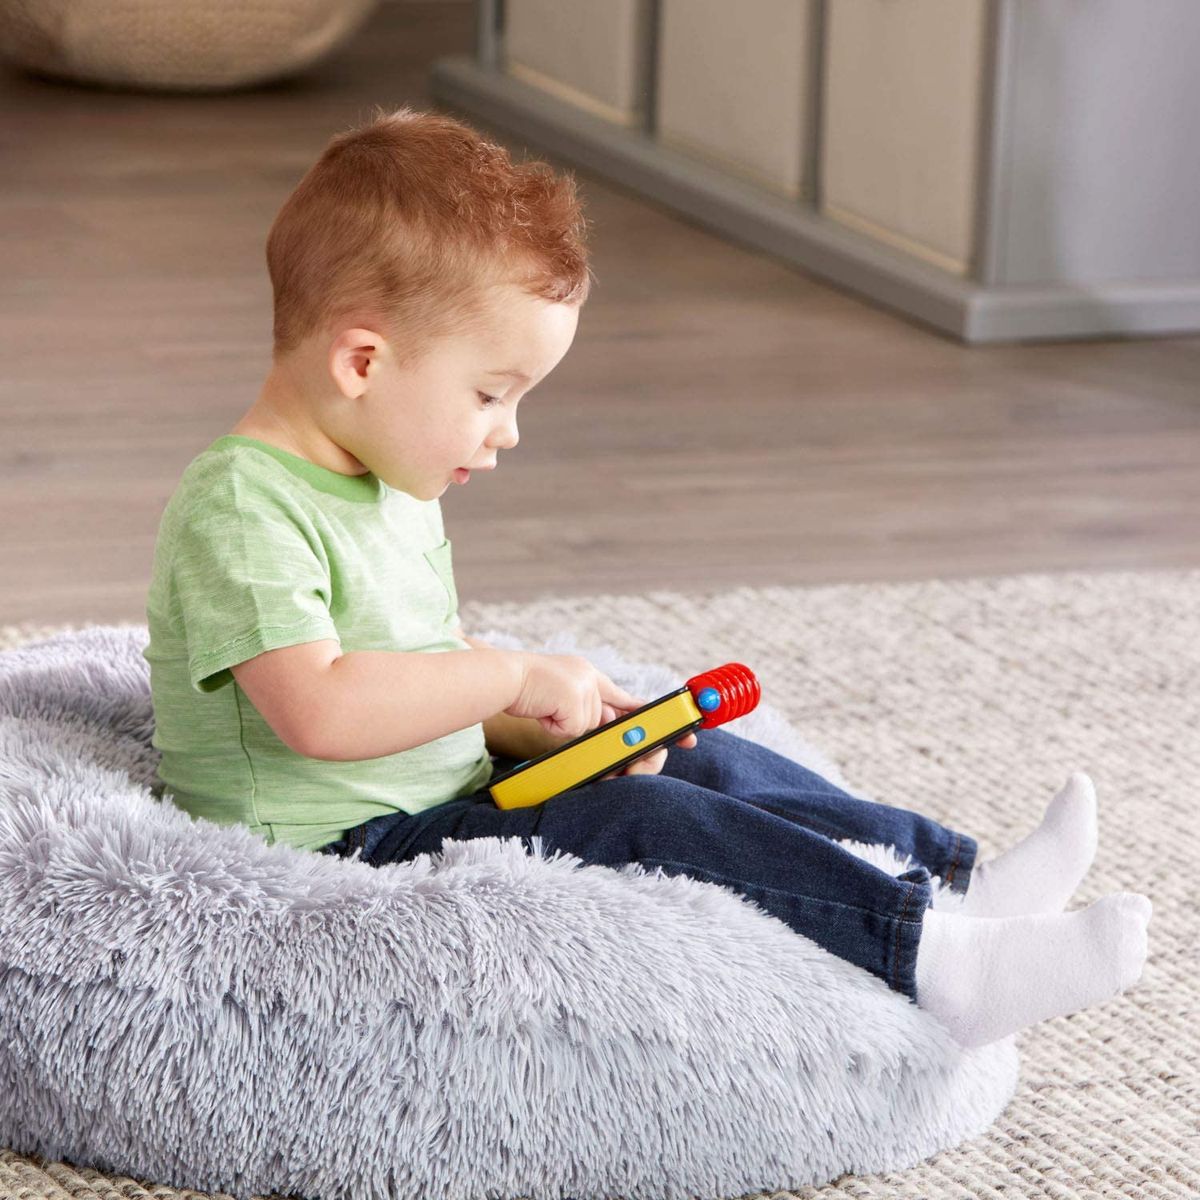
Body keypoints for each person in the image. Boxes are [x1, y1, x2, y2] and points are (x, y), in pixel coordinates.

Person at [143, 107, 1151, 1051]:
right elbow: (321, 712)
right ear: (363, 362)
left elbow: (412, 668)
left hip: (429, 797)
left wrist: (537, 729)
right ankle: (931, 960)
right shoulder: (244, 505)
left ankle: (956, 881)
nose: (510, 430)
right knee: (640, 819)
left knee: (694, 759)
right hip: (339, 852)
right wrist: (509, 675)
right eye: (491, 393)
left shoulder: (386, 475)